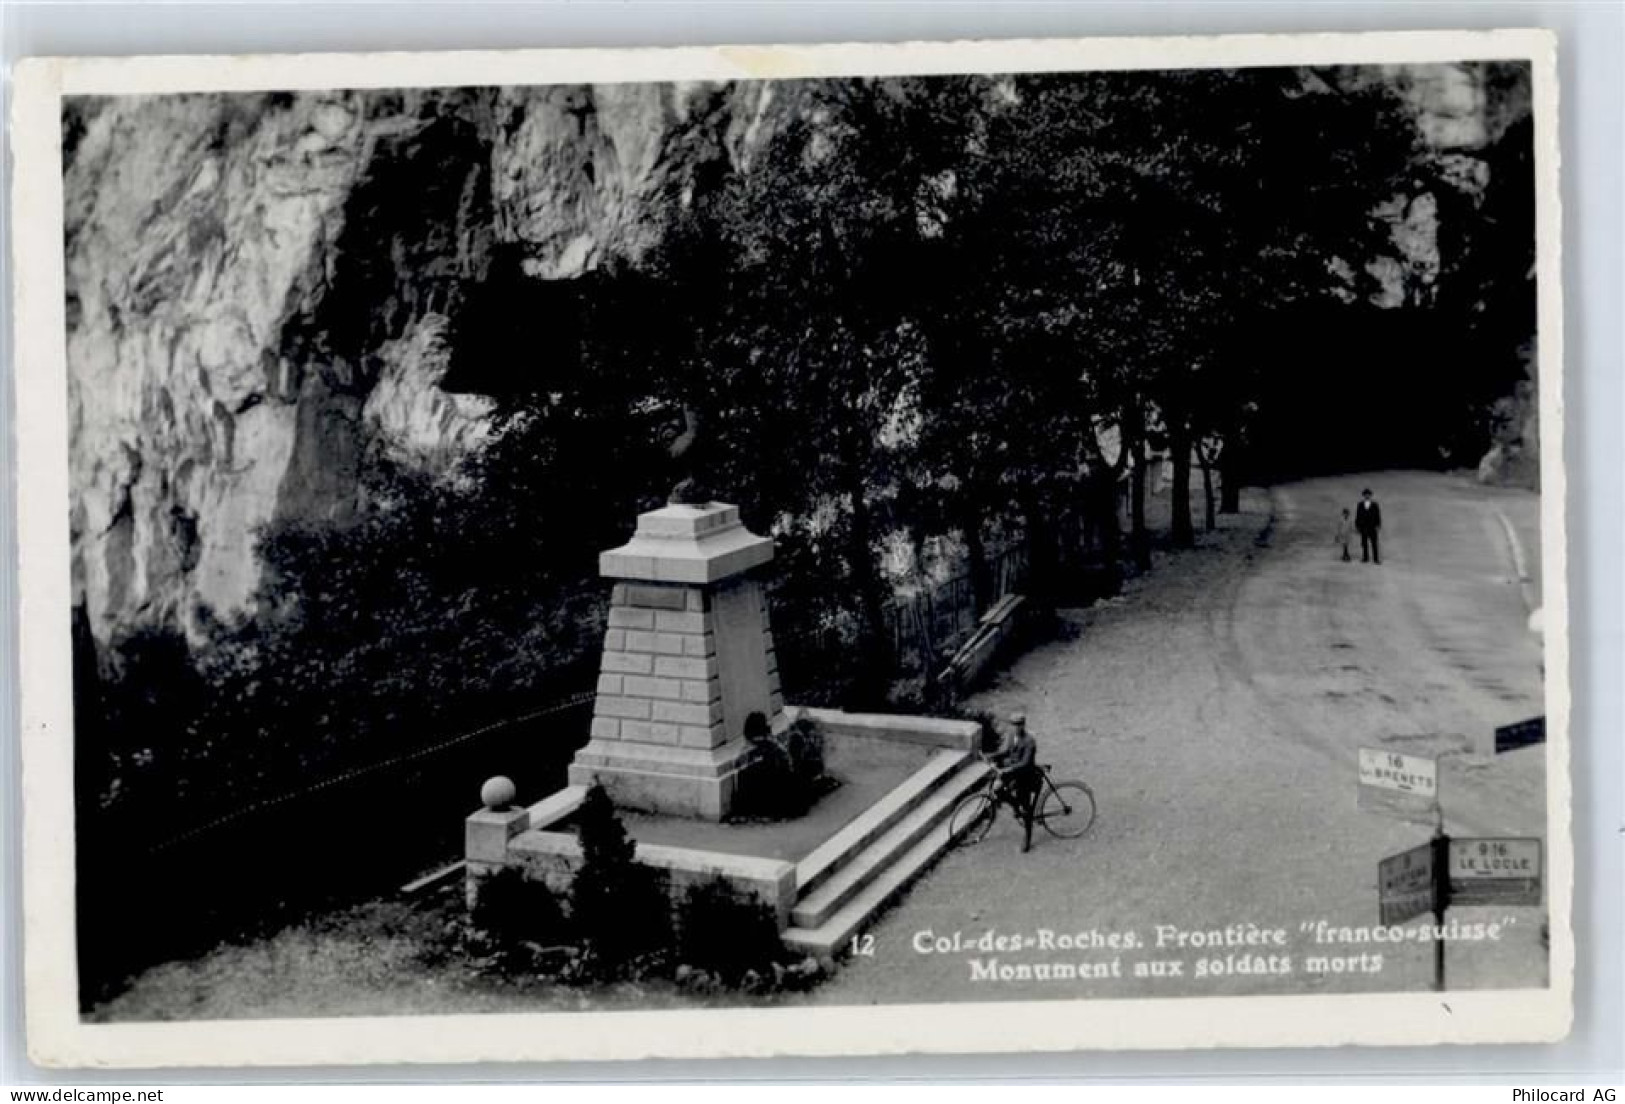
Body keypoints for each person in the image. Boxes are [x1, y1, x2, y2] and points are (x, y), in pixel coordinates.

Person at [993, 712, 1042, 853]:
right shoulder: (1011, 736)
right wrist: (991, 756)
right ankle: (1016, 808)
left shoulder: (1029, 741)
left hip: (1027, 776)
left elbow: (1025, 763)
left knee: (1026, 807)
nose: (1016, 728)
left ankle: (1027, 837)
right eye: (1013, 725)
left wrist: (1008, 769)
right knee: (997, 790)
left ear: (1023, 725)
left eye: (1018, 725)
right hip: (1013, 773)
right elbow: (1006, 751)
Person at [1355, 488, 1383, 564]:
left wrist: (1378, 525)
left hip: (1372, 527)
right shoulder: (1360, 505)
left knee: (1374, 543)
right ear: (1363, 495)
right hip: (1363, 527)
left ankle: (1376, 559)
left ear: (1370, 495)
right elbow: (1357, 516)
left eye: (1368, 494)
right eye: (1365, 494)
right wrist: (1357, 526)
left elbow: (1378, 515)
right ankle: (1365, 557)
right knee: (1364, 543)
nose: (1367, 496)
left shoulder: (1375, 505)